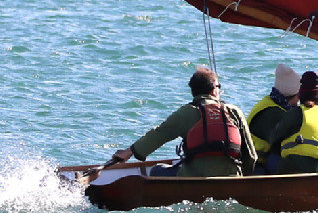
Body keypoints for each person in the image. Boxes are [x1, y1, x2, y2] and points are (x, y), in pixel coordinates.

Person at [109, 65, 257, 177]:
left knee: (156, 170)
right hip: (232, 177)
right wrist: (243, 179)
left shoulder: (186, 113)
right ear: (213, 91)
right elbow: (251, 156)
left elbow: (158, 135)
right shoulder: (234, 111)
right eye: (219, 87)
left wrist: (128, 152)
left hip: (193, 179)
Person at [268, 71, 318, 174]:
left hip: (297, 171)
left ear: (300, 97)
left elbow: (273, 142)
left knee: (271, 159)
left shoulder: (296, 113)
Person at [247, 63, 301, 174]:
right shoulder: (273, 113)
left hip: (257, 160)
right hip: (255, 165)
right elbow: (279, 145)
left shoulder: (270, 102)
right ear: (296, 95)